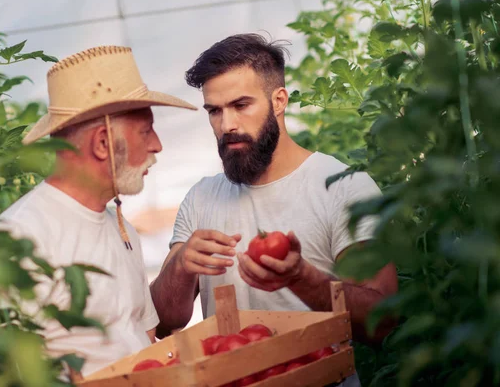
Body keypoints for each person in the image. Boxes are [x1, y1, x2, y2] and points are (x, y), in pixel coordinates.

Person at [149, 33, 398, 371]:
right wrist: (179, 268)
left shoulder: (344, 186)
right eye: (214, 111)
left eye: (240, 105)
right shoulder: (200, 199)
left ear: (279, 100)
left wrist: (303, 279)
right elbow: (164, 323)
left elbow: (384, 323)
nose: (227, 125)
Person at [0, 46, 196, 381]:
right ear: (102, 144)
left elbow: (143, 338)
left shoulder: (121, 227)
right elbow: (2, 368)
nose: (157, 145)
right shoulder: (22, 234)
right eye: (145, 131)